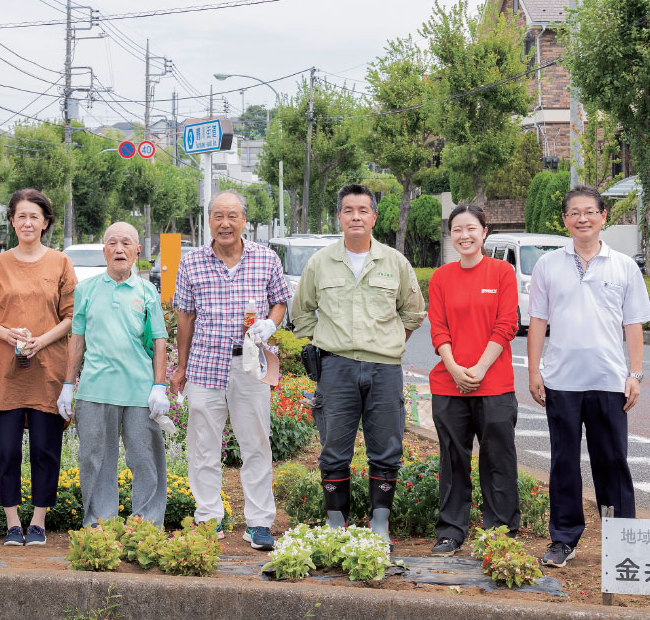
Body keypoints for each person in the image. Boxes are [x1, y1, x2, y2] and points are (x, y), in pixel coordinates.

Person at [289, 183, 426, 545]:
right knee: (334, 447)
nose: (355, 217)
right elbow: (301, 312)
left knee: (386, 447)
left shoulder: (394, 262)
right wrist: (324, 343)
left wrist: (388, 345)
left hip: (384, 370)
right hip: (336, 368)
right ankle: (338, 524)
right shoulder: (320, 263)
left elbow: (412, 313)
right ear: (339, 217)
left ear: (374, 217)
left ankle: (379, 524)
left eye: (363, 210)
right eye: (348, 210)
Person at [527, 185, 650, 568]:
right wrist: (534, 370)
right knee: (563, 462)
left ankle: (623, 541)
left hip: (609, 381)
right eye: (574, 212)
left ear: (603, 216)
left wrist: (635, 374)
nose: (582, 218)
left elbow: (633, 324)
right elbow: (537, 322)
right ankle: (563, 539)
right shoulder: (548, 265)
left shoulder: (623, 266)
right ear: (565, 220)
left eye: (589, 211)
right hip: (562, 381)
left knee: (612, 462)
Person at [170, 190, 291, 551]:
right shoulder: (192, 263)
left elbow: (280, 301)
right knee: (203, 447)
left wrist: (270, 324)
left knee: (256, 445)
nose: (225, 223)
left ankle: (258, 523)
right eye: (218, 216)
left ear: (244, 220)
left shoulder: (265, 258)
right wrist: (181, 366)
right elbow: (185, 317)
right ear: (209, 220)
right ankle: (209, 518)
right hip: (206, 365)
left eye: (232, 216)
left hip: (250, 366)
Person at [0, 189, 76, 546]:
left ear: (45, 222)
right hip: (7, 370)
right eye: (21, 216)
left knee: (46, 449)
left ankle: (39, 521)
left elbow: (71, 316)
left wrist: (41, 341)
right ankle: (12, 522)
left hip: (47, 367)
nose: (28, 222)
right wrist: (8, 334)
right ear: (12, 222)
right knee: (7, 449)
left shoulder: (60, 263)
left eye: (35, 216)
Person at [58, 222, 169, 527]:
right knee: (95, 461)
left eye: (126, 243)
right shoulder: (86, 290)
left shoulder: (147, 292)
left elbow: (159, 340)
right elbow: (77, 340)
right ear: (104, 250)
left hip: (139, 394)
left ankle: (145, 527)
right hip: (95, 391)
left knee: (145, 460)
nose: (119, 249)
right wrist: (68, 384)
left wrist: (159, 386)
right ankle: (99, 525)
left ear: (137, 251)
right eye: (112, 244)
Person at [426, 205, 520, 557]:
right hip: (449, 386)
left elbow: (506, 324)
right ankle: (451, 531)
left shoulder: (502, 272)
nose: (464, 236)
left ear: (484, 231)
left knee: (499, 459)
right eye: (457, 230)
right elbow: (438, 328)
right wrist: (453, 368)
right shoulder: (441, 278)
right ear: (451, 235)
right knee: (452, 460)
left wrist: (479, 369)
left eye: (471, 228)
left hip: (494, 383)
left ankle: (501, 533)